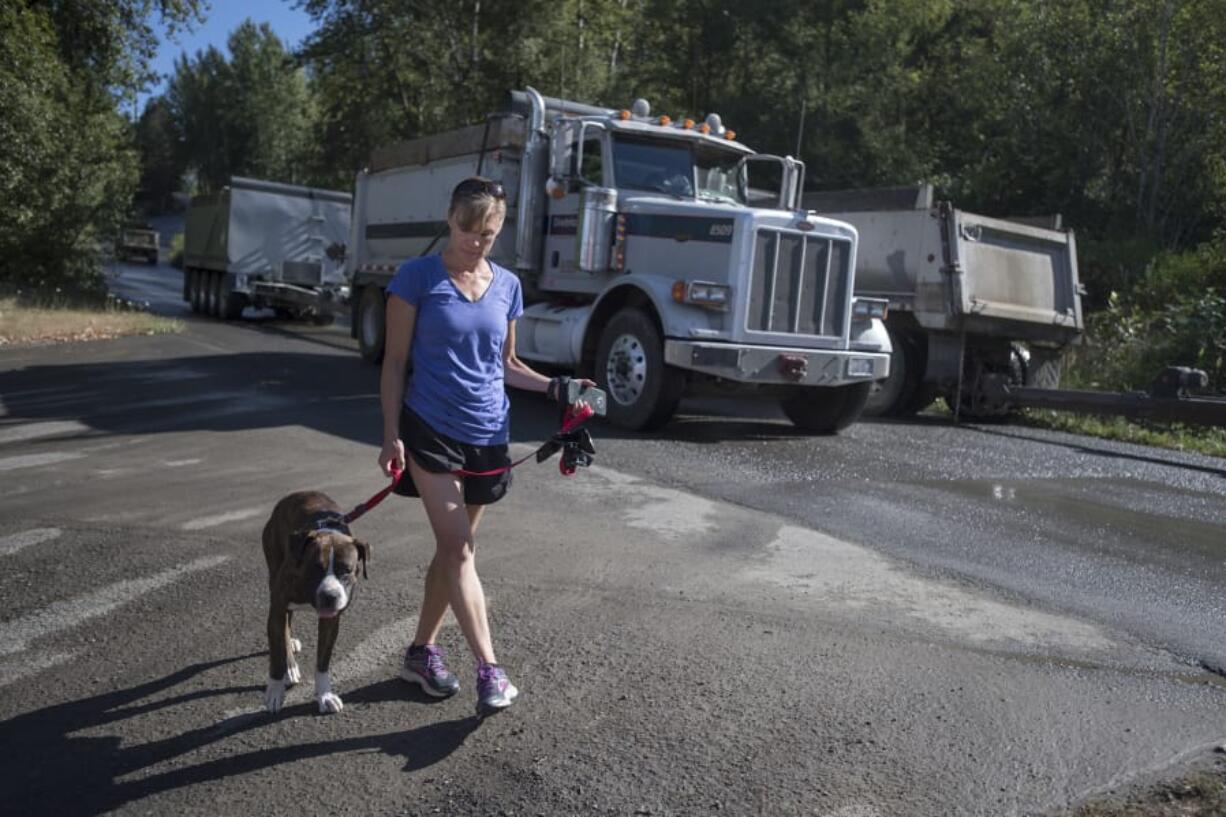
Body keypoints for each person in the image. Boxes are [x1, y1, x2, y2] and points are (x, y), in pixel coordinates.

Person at [377, 176, 590, 716]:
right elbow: (395, 362)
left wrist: (557, 387)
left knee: (452, 554)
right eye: (469, 229)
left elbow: (507, 365)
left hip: (489, 433)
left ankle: (421, 652)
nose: (476, 241)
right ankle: (490, 670)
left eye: (488, 234)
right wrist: (389, 433)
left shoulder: (508, 286)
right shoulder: (416, 278)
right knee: (461, 551)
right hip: (429, 427)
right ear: (450, 218)